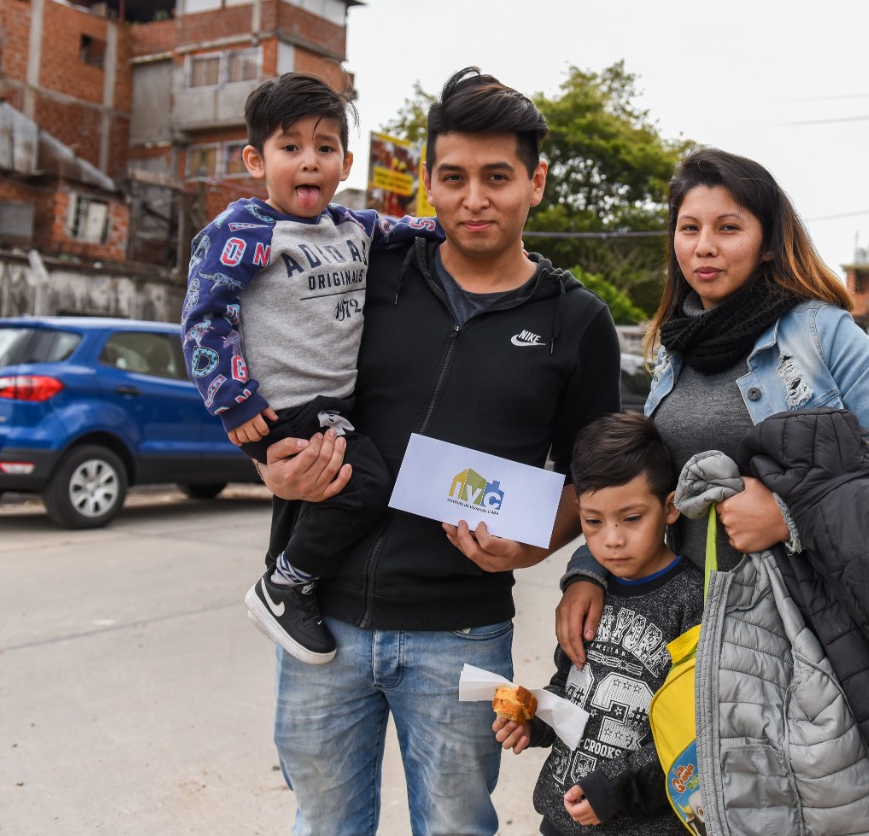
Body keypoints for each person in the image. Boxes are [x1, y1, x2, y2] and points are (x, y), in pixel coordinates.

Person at [257, 66, 622, 836]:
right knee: (322, 823)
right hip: (318, 622)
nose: (474, 198)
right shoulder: (366, 271)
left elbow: (600, 477)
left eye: (498, 176)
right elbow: (269, 371)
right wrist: (263, 461)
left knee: (458, 827)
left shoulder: (576, 320)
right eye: (452, 177)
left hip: (463, 632)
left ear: (536, 182)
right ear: (426, 181)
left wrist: (541, 548)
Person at [555, 148, 869, 831]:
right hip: (690, 639)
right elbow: (646, 482)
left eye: (728, 227)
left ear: (768, 239)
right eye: (689, 229)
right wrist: (588, 567)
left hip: (800, 646)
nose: (704, 248)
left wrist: (789, 512)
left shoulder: (820, 333)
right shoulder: (677, 345)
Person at [181, 72, 442, 666]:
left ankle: (287, 583)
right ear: (255, 159)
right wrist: (235, 401)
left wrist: (458, 226)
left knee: (305, 499)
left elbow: (409, 229)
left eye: (324, 148)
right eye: (290, 146)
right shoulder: (244, 231)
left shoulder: (351, 227)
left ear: (345, 163)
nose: (309, 162)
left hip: (333, 402)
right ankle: (286, 585)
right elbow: (204, 319)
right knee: (366, 482)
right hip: (279, 404)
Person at [494, 412, 700, 836]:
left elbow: (692, 734)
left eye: (631, 518)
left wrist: (616, 790)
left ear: (670, 507)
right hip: (560, 820)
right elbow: (569, 691)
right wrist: (532, 720)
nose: (612, 539)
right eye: (593, 521)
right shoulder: (590, 595)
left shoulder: (692, 600)